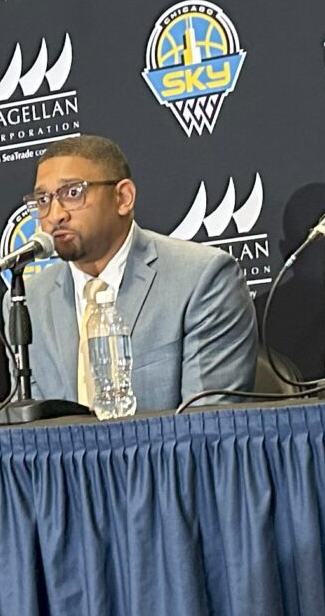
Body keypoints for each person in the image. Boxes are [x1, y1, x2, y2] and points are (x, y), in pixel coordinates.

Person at [24, 134, 257, 415]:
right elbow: (31, 427)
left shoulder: (201, 278)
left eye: (72, 193)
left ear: (123, 198)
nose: (55, 215)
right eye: (43, 199)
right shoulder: (29, 300)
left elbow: (208, 423)